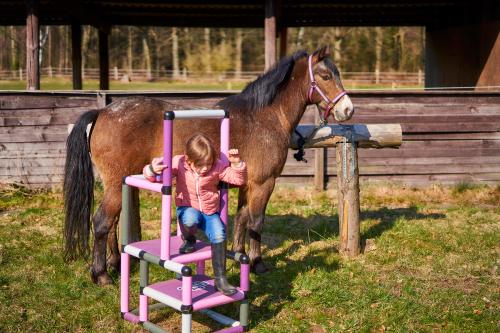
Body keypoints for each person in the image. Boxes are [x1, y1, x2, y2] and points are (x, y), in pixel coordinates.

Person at [143, 133, 247, 296]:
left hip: (210, 211)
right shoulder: (179, 162)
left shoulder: (217, 166)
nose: (205, 168)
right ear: (189, 160)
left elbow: (238, 180)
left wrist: (237, 164)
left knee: (220, 234)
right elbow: (159, 177)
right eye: (201, 165)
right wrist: (151, 169)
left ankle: (220, 279)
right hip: (187, 207)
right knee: (190, 219)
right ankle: (189, 239)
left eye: (209, 163)